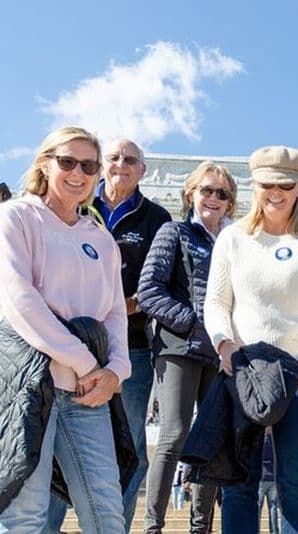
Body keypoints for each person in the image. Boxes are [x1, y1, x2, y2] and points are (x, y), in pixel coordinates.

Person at [204, 145, 298, 534]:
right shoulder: (232, 239)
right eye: (267, 184)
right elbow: (216, 302)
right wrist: (224, 344)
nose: (276, 192)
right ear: (254, 185)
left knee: (296, 480)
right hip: (243, 370)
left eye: (286, 184)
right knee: (239, 482)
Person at [0, 126, 131, 532]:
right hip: (27, 385)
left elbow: (115, 315)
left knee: (106, 510)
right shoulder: (15, 216)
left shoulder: (102, 239)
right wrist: (86, 363)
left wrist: (116, 371)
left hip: (87, 392)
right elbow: (19, 301)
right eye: (68, 161)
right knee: (26, 514)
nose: (78, 173)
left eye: (89, 166)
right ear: (45, 163)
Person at [138, 160, 237, 533]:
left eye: (221, 193)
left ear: (230, 202)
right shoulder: (173, 231)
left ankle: (201, 527)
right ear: (191, 193)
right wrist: (195, 324)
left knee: (211, 441)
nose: (213, 198)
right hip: (179, 347)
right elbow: (149, 290)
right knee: (174, 434)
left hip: (220, 352)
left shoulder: (233, 243)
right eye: (206, 190)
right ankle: (154, 527)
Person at [80, 137, 171, 530]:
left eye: (130, 160)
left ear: (142, 170)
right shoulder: (80, 204)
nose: (121, 165)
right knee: (52, 438)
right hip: (68, 344)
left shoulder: (156, 218)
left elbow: (157, 285)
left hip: (129, 346)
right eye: (114, 158)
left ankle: (114, 526)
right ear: (103, 164)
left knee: (130, 444)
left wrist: (116, 309)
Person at [258, 433, 281, 534]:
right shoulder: (274, 443)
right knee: (273, 507)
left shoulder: (260, 443)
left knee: (258, 508)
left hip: (261, 478)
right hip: (273, 478)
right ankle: (274, 531)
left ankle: (255, 529)